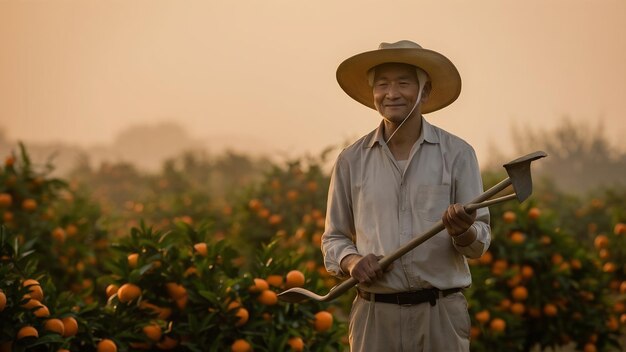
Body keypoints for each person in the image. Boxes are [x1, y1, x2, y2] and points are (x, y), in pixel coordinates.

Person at [321, 40, 491, 351]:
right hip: (374, 315)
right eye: (382, 84)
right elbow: (333, 238)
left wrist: (463, 231)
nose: (392, 93)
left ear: (424, 92)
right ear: (373, 94)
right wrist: (351, 261)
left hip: (439, 314)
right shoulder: (351, 160)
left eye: (403, 82)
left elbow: (480, 240)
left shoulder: (458, 154)